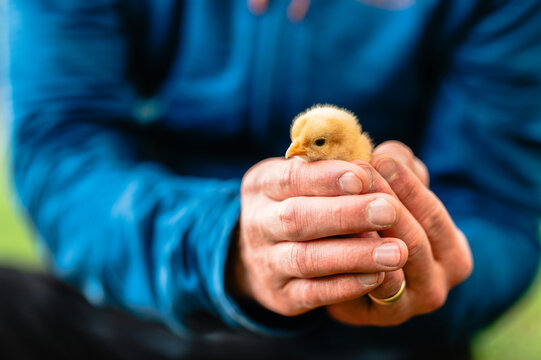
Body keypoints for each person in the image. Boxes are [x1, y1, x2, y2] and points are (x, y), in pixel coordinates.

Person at [2, 0, 541, 359]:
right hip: (129, 311)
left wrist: (427, 270)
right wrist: (223, 245)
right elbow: (61, 150)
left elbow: (500, 207)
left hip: (358, 346)